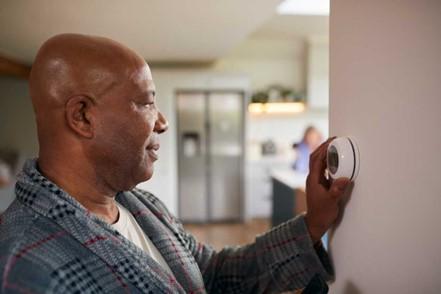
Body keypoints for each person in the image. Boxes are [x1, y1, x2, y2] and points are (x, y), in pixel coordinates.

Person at [0, 34, 350, 293]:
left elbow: (214, 274)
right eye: (146, 103)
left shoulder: (140, 205)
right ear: (82, 116)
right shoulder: (25, 269)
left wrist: (313, 223)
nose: (162, 122)